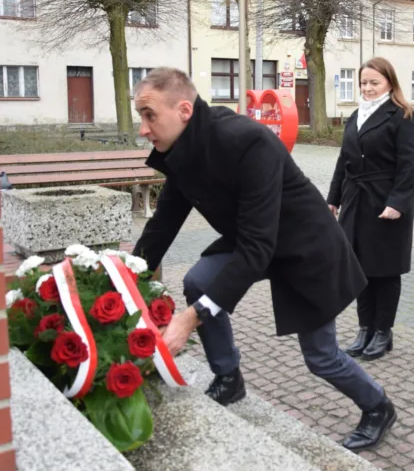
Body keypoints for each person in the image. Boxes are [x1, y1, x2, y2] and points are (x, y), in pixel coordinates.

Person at [132, 67, 395, 451]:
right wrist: (125, 277)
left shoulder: (246, 141)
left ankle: (378, 406)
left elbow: (257, 248)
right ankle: (229, 378)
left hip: (307, 249)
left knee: (321, 357)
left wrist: (188, 321)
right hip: (257, 241)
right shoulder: (183, 150)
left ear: (184, 110)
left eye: (149, 114)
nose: (144, 128)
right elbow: (162, 225)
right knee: (199, 281)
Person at [327, 57, 414, 361]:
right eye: (363, 82)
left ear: (389, 83)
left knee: (384, 270)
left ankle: (383, 331)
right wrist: (333, 198)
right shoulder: (356, 115)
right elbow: (345, 160)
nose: (367, 88)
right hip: (355, 201)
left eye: (374, 82)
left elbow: (410, 164)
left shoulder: (405, 116)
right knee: (359, 268)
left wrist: (398, 202)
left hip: (385, 202)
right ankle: (365, 327)